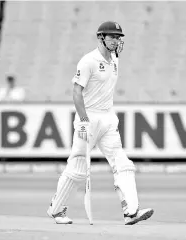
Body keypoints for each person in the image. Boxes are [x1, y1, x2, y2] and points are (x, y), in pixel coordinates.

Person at [47, 21, 154, 225]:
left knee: (123, 163)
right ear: (100, 37)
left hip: (108, 119)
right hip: (88, 119)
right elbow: (76, 91)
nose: (116, 40)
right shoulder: (88, 61)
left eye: (118, 37)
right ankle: (57, 209)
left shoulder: (115, 59)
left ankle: (131, 211)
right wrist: (84, 120)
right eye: (112, 36)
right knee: (77, 170)